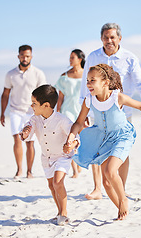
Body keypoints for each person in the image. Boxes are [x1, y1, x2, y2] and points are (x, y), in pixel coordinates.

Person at [64, 64, 141, 220]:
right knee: (106, 183)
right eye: (87, 80)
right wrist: (71, 136)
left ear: (105, 82)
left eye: (92, 80)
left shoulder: (117, 97)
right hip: (103, 139)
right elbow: (78, 122)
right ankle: (121, 211)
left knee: (110, 171)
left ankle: (123, 200)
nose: (88, 84)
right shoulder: (89, 100)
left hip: (122, 136)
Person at [79, 23, 141, 200]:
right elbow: (85, 83)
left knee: (121, 150)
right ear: (101, 39)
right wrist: (84, 111)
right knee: (97, 147)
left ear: (119, 38)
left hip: (122, 112)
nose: (109, 40)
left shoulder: (129, 58)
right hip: (97, 110)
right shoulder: (93, 56)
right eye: (105, 37)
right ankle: (97, 188)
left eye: (112, 37)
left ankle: (122, 186)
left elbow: (140, 83)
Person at [20, 85, 80, 226]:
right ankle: (59, 211)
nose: (31, 106)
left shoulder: (62, 120)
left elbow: (75, 136)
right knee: (51, 185)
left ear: (46, 105)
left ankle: (64, 213)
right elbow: (27, 133)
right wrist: (25, 133)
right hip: (46, 157)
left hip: (62, 157)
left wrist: (72, 144)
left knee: (58, 182)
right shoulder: (34, 119)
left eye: (34, 103)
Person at [0, 45, 47, 179]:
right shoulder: (11, 74)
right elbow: (5, 94)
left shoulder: (38, 73)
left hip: (31, 112)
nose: (25, 58)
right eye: (22, 56)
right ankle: (19, 170)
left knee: (30, 142)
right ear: (18, 56)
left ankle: (29, 171)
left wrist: (43, 113)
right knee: (17, 138)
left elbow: (43, 94)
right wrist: (2, 113)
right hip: (16, 110)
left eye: (27, 56)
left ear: (31, 56)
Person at [55, 49, 86, 178]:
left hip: (82, 108)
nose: (70, 60)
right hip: (67, 108)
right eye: (70, 57)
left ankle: (79, 163)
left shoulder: (87, 74)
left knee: (82, 137)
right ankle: (74, 170)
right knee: (70, 136)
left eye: (73, 57)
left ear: (80, 59)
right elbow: (60, 96)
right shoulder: (64, 76)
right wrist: (57, 110)